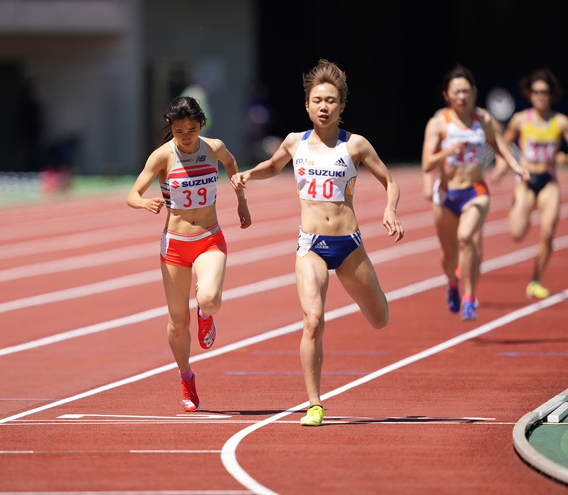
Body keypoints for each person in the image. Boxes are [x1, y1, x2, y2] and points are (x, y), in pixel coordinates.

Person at [231, 60, 404, 426]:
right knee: (313, 320)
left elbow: (390, 180)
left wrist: (390, 208)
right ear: (307, 106)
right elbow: (273, 166)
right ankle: (314, 403)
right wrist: (248, 174)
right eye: (317, 100)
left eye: (331, 100)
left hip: (350, 244)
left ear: (342, 106)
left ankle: (372, 306)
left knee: (381, 320)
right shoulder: (295, 142)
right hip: (310, 245)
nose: (324, 107)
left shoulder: (355, 144)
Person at [127, 96, 251, 412]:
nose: (186, 136)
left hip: (209, 237)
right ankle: (187, 376)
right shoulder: (161, 157)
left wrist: (241, 202)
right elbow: (133, 193)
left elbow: (232, 165)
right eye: (180, 130)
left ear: (201, 126)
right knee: (178, 322)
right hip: (175, 245)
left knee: (209, 297)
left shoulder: (214, 148)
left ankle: (206, 315)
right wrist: (144, 203)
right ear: (170, 126)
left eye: (192, 130)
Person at [421, 64, 528, 321]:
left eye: (466, 91)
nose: (462, 96)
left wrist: (516, 167)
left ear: (474, 93)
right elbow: (426, 164)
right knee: (448, 255)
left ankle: (470, 298)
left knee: (467, 238)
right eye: (456, 92)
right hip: (447, 195)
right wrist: (449, 151)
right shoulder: (438, 123)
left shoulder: (484, 120)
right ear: (447, 95)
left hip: (476, 192)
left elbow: (500, 145)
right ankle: (452, 284)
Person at [490, 68, 568, 299]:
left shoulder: (560, 122)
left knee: (548, 231)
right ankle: (518, 208)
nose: (540, 96)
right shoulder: (521, 119)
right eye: (536, 92)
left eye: (544, 92)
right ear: (529, 94)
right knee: (517, 233)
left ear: (552, 94)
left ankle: (535, 281)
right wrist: (501, 168)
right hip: (525, 181)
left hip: (548, 181)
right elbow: (504, 145)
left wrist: (564, 157)